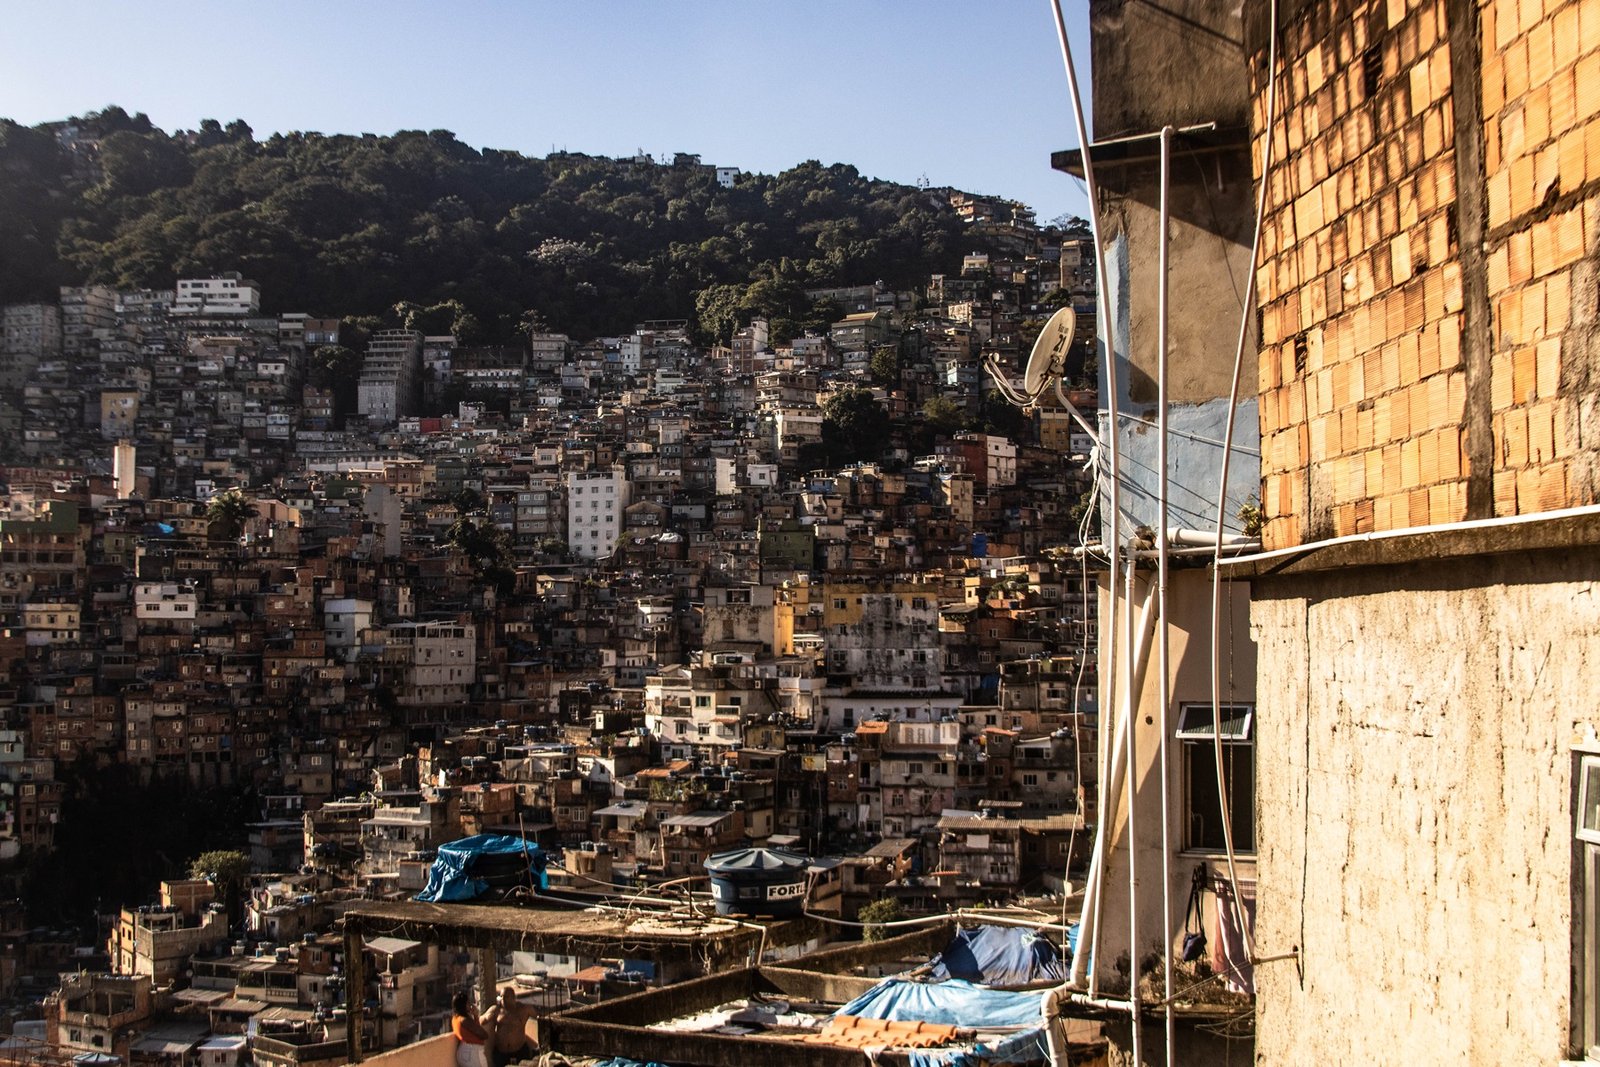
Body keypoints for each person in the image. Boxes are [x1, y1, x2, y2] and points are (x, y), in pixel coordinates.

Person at [483, 985, 535, 1067]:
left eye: (506, 997)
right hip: (501, 1052)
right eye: (501, 997)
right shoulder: (496, 1010)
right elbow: (481, 1020)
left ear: (513, 997)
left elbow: (541, 1018)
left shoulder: (524, 1009)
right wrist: (484, 1017)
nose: (503, 1000)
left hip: (519, 1050)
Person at [451, 992, 490, 1067]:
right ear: (463, 1005)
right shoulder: (465, 1020)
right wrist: (476, 1015)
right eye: (468, 1003)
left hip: (464, 1051)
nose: (470, 1005)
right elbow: (484, 1035)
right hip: (473, 1052)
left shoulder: (455, 1019)